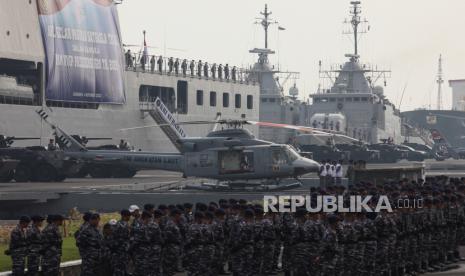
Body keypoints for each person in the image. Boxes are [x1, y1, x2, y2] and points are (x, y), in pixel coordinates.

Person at [163, 209, 183, 276]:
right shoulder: (170, 224)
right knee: (168, 269)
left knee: (171, 269)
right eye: (179, 215)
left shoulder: (174, 223)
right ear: (176, 215)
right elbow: (168, 238)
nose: (180, 217)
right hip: (170, 249)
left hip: (174, 248)